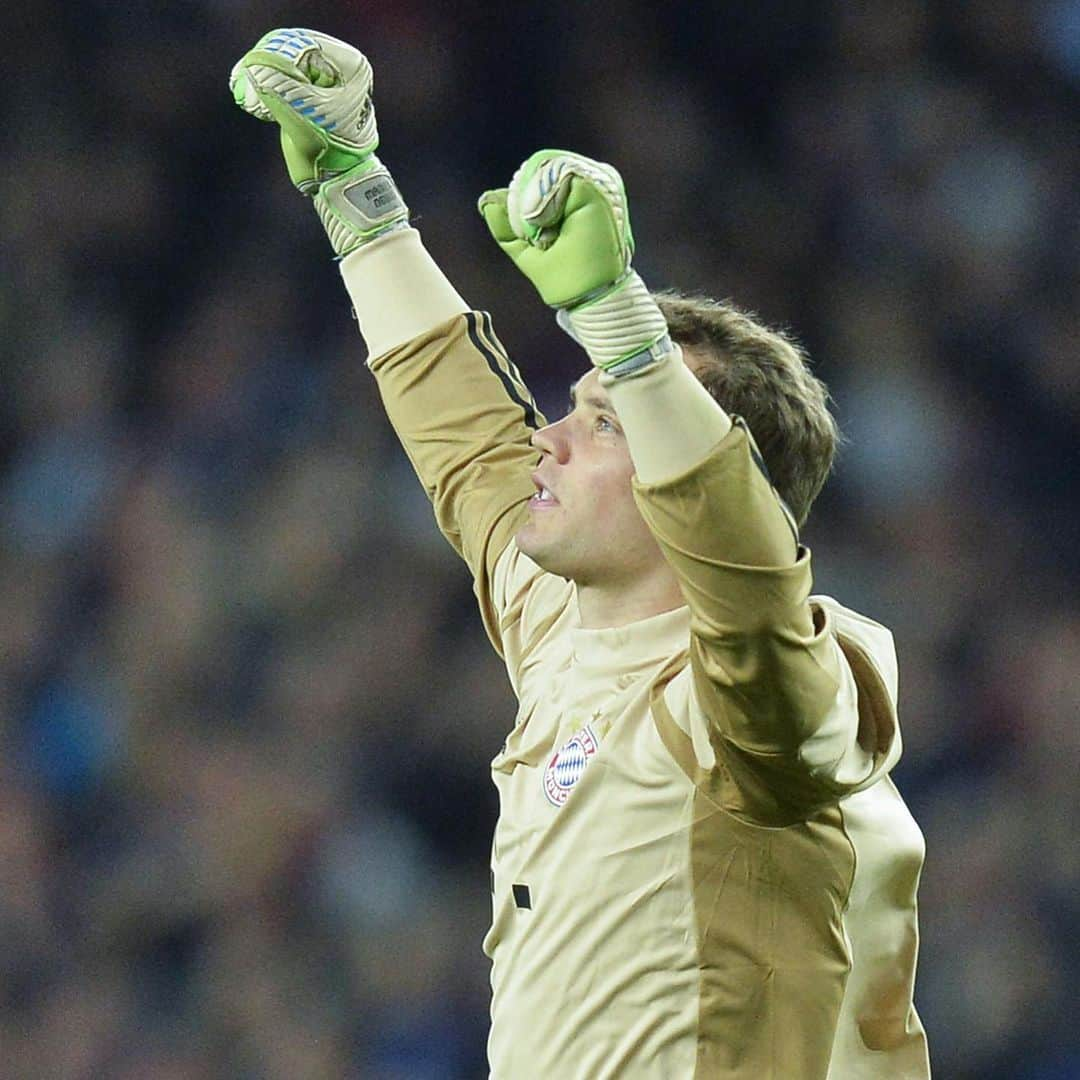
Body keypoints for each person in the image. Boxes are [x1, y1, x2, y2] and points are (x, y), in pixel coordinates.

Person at [230, 28, 931, 1079]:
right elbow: (468, 442)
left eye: (603, 422)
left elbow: (745, 577)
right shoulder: (564, 623)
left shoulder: (769, 700)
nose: (548, 440)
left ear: (693, 480)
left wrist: (621, 322)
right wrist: (355, 192)